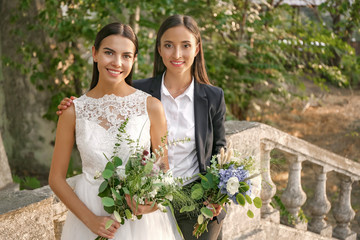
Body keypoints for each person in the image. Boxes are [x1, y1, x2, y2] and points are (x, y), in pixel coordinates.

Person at [57, 15, 226, 240]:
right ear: (94, 53)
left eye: (185, 45)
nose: (176, 54)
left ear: (197, 49)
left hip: (188, 203)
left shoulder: (209, 97)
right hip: (103, 208)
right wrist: (74, 109)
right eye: (168, 45)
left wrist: (217, 196)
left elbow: (219, 152)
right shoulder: (136, 90)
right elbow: (108, 95)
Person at [49, 22, 181, 240]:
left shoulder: (152, 107)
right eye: (109, 52)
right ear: (94, 53)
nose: (117, 62)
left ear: (134, 59)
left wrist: (150, 206)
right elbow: (55, 178)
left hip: (141, 226)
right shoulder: (73, 111)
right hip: (88, 220)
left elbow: (162, 170)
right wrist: (91, 220)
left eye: (126, 55)